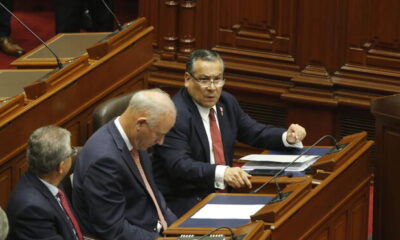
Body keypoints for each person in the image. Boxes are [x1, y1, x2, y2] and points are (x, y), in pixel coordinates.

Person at [152, 49, 307, 217]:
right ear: (188, 79)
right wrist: (223, 172)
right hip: (186, 200)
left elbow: (253, 131)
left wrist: (287, 137)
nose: (212, 88)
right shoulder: (174, 114)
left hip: (223, 194)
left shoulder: (226, 102)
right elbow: (181, 166)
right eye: (204, 80)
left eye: (217, 79)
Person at [72, 89, 177, 240]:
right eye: (159, 134)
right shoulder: (103, 160)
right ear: (140, 123)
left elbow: (152, 192)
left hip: (155, 229)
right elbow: (114, 230)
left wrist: (178, 229)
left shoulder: (135, 138)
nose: (161, 141)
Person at [6, 126, 83, 240]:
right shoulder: (32, 211)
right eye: (71, 152)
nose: (73, 154)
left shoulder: (49, 177)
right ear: (61, 166)